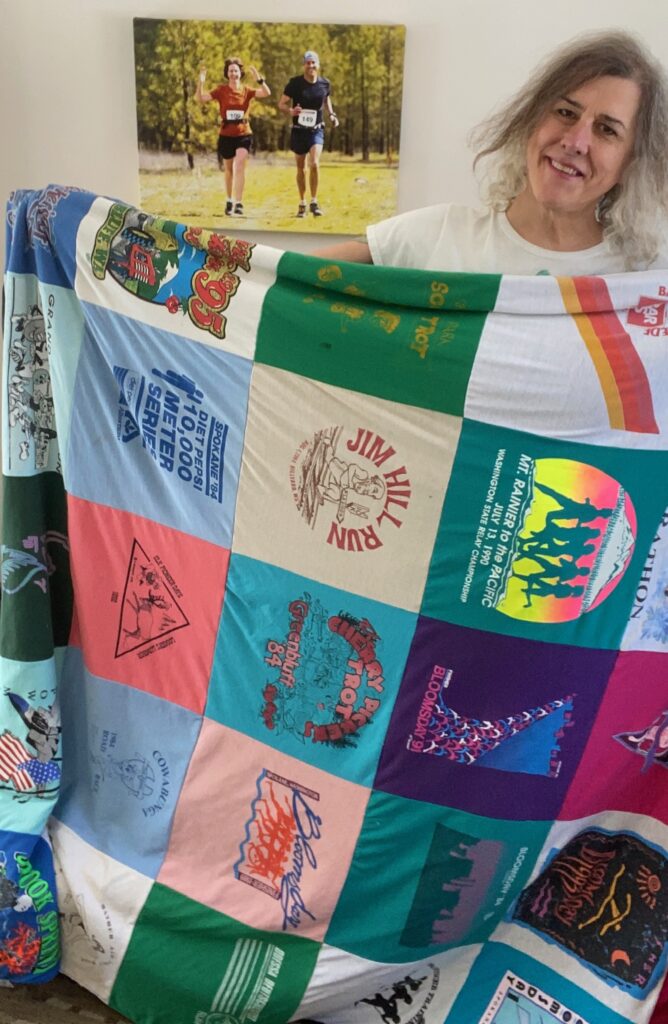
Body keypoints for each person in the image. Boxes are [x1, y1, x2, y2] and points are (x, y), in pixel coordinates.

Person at [313, 31, 668, 273]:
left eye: (606, 130)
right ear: (530, 120)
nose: (575, 141)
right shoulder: (436, 236)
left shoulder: (645, 278)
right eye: (565, 112)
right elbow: (280, 283)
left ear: (631, 162)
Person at [196, 57, 271, 217]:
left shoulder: (247, 90)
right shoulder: (221, 90)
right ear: (227, 73)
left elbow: (266, 93)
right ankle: (229, 200)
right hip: (226, 134)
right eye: (230, 70)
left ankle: (239, 202)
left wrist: (259, 79)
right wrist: (201, 82)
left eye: (236, 70)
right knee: (229, 169)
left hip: (244, 133)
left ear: (240, 73)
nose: (233, 73)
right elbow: (200, 98)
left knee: (239, 165)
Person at [279, 51, 339, 218]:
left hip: (316, 129)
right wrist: (291, 111)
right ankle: (302, 202)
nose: (311, 66)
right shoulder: (295, 84)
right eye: (308, 63)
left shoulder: (324, 84)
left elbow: (326, 99)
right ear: (304, 65)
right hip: (299, 130)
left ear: (318, 65)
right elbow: (281, 103)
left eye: (313, 63)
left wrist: (332, 114)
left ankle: (314, 201)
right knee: (301, 168)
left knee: (314, 163)